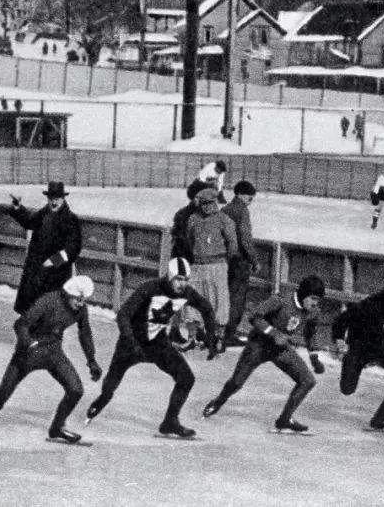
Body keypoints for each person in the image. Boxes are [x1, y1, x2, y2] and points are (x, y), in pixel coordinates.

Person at [86, 257, 220, 439]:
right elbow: (123, 314)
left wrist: (212, 339)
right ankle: (103, 399)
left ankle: (170, 422)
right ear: (170, 276)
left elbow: (207, 309)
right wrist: (130, 341)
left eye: (185, 280)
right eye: (178, 279)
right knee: (112, 382)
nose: (182, 284)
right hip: (131, 343)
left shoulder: (186, 292)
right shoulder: (149, 288)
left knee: (186, 378)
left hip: (158, 344)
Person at [0, 276, 102, 444]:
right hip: (29, 353)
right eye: (78, 299)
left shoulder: (80, 309)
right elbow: (20, 324)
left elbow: (85, 333)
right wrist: (26, 342)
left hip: (53, 352)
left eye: (83, 300)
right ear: (67, 294)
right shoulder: (48, 301)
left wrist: (92, 360)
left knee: (76, 389)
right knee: (4, 392)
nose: (81, 303)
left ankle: (57, 428)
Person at [202, 276, 325, 433]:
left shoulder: (313, 312)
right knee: (237, 382)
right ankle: (218, 401)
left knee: (307, 380)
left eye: (318, 300)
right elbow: (254, 316)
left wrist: (314, 359)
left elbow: (311, 334)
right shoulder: (281, 300)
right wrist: (273, 333)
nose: (315, 303)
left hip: (280, 350)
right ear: (303, 293)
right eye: (313, 298)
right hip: (258, 346)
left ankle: (284, 420)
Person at [331, 279, 384, 434]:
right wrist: (339, 340)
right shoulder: (369, 306)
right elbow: (341, 320)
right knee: (347, 389)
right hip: (361, 346)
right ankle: (350, 367)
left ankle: (378, 420)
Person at [8, 181, 82, 315]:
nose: (53, 202)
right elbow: (29, 221)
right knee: (30, 313)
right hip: (36, 273)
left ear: (63, 199)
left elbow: (73, 248)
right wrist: (18, 208)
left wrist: (54, 261)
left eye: (57, 199)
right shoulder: (44, 213)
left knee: (50, 316)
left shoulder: (71, 220)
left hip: (55, 276)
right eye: (51, 199)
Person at [184, 186, 237, 352]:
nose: (207, 206)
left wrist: (223, 260)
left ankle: (218, 339)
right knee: (192, 300)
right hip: (198, 265)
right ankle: (192, 338)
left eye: (211, 203)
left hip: (218, 265)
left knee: (219, 301)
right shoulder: (193, 219)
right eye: (204, 203)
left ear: (216, 202)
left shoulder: (224, 220)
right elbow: (189, 240)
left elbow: (232, 245)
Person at [221, 180, 260, 346]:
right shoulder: (242, 211)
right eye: (250, 198)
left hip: (224, 260)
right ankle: (229, 335)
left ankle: (219, 332)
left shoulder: (224, 209)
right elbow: (245, 240)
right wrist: (254, 260)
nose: (250, 201)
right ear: (241, 195)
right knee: (237, 299)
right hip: (239, 262)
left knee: (223, 297)